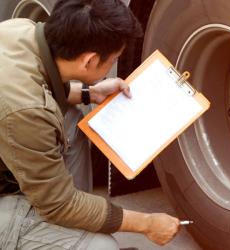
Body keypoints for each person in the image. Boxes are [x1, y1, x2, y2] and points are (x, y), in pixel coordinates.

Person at [0, 0, 181, 249]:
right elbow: (59, 204)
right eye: (114, 58)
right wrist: (147, 223)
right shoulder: (26, 111)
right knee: (101, 246)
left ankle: (73, 223)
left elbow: (40, 85)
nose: (114, 64)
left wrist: (90, 92)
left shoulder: (20, 29)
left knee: (71, 117)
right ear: (89, 61)